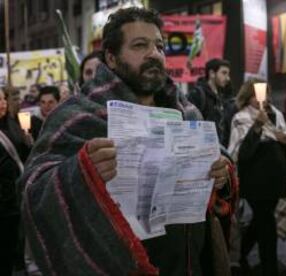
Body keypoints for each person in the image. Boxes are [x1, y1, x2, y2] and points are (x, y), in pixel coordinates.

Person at [18, 7, 235, 275]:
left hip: (187, 263)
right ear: (111, 57)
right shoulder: (76, 114)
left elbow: (215, 183)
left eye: (159, 45)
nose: (154, 53)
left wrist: (220, 176)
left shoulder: (187, 112)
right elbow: (32, 189)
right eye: (140, 45)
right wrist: (82, 171)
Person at [228, 79, 286, 275]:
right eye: (255, 95)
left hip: (275, 177)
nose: (261, 99)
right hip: (255, 180)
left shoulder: (276, 114)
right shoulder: (240, 118)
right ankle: (269, 268)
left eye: (264, 94)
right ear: (247, 97)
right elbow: (241, 153)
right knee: (266, 223)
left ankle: (242, 253)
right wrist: (257, 126)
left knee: (261, 221)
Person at [0, 87, 32, 275]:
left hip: (18, 197)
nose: (2, 103)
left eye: (3, 99)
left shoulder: (14, 124)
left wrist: (28, 138)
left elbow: (25, 156)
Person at [187, 58, 231, 145]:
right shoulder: (197, 94)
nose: (228, 78)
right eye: (224, 73)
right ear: (212, 73)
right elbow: (190, 124)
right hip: (202, 147)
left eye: (228, 74)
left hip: (219, 148)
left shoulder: (222, 96)